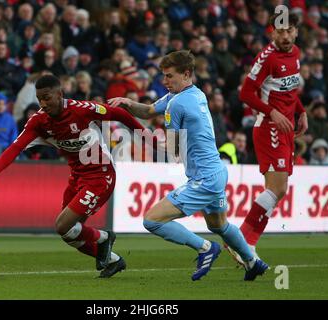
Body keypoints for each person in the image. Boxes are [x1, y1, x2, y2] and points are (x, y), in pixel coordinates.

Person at [108, 50, 268, 281]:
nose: (164, 81)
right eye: (163, 76)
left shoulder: (177, 104)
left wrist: (141, 135)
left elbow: (172, 148)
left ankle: (206, 248)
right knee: (219, 225)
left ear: (186, 74)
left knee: (151, 220)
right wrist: (126, 103)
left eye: (169, 76)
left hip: (204, 178)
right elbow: (150, 109)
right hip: (216, 172)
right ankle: (253, 262)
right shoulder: (194, 94)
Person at [0, 75, 156, 278]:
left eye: (47, 98)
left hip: (101, 175)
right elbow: (15, 148)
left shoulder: (81, 109)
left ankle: (105, 237)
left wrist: (146, 137)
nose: (43, 104)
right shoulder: (39, 122)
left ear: (60, 94)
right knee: (68, 233)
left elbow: (119, 114)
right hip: (77, 177)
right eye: (39, 99)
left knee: (62, 224)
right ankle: (114, 260)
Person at [234, 13, 308, 263]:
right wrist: (272, 112)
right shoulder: (267, 58)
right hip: (269, 127)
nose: (285, 36)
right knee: (276, 188)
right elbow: (246, 93)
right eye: (280, 31)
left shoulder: (295, 53)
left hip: (285, 127)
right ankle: (243, 241)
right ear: (271, 32)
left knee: (279, 190)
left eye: (290, 30)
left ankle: (245, 242)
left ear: (296, 31)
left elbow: (288, 90)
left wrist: (301, 111)